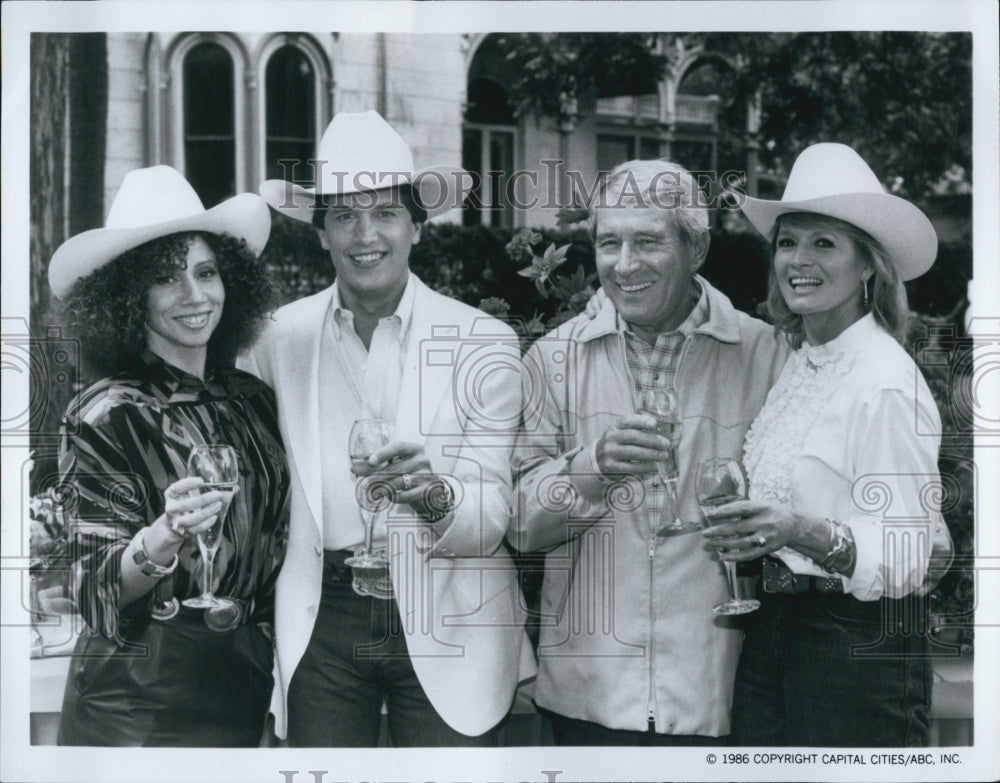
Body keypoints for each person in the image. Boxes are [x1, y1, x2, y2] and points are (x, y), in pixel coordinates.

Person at [241, 110, 533, 747]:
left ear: (418, 227)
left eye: (384, 213)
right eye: (344, 215)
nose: (363, 234)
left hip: (454, 614)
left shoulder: (484, 342)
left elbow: (490, 519)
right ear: (321, 234)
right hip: (323, 615)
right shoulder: (273, 339)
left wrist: (432, 492)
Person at [509, 159, 787, 745]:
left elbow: (794, 510)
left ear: (697, 248)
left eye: (648, 241)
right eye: (609, 242)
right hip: (590, 698)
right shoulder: (552, 359)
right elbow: (520, 524)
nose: (624, 264)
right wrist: (591, 467)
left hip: (718, 694)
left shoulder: (765, 356)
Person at [701, 143, 952, 746]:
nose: (799, 261)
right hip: (775, 633)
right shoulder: (803, 361)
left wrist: (796, 530)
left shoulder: (884, 379)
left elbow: (909, 554)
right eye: (788, 242)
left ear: (868, 265)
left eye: (823, 243)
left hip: (857, 647)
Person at [48, 166, 291, 746]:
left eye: (206, 272)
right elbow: (89, 588)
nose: (195, 295)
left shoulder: (254, 401)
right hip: (133, 700)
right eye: (166, 278)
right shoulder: (106, 413)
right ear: (128, 298)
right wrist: (161, 538)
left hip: (242, 681)